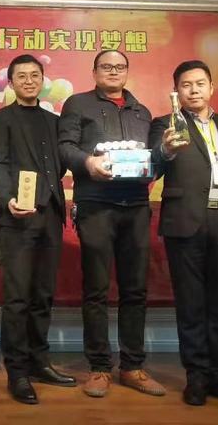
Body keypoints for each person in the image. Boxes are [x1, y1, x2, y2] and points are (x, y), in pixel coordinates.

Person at [149, 60, 218, 408]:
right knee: (191, 303)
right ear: (176, 91)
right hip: (186, 221)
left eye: (200, 83)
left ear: (212, 87)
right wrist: (166, 149)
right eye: (186, 85)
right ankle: (196, 375)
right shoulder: (166, 124)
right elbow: (152, 166)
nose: (194, 90)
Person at [58, 50, 164, 398]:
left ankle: (133, 366)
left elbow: (153, 161)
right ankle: (99, 367)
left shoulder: (141, 111)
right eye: (107, 66)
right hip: (95, 205)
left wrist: (164, 156)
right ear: (94, 72)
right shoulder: (78, 104)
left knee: (135, 290)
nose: (113, 71)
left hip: (136, 206)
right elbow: (64, 147)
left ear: (127, 72)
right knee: (97, 289)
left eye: (120, 67)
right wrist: (87, 163)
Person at [0, 54, 75, 404]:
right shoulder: (0, 119)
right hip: (17, 216)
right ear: (11, 82)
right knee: (17, 297)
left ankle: (40, 361)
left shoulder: (54, 121)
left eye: (34, 75)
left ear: (42, 80)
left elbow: (63, 164)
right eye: (21, 76)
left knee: (43, 294)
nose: (28, 81)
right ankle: (17, 371)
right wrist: (7, 198)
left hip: (51, 214)